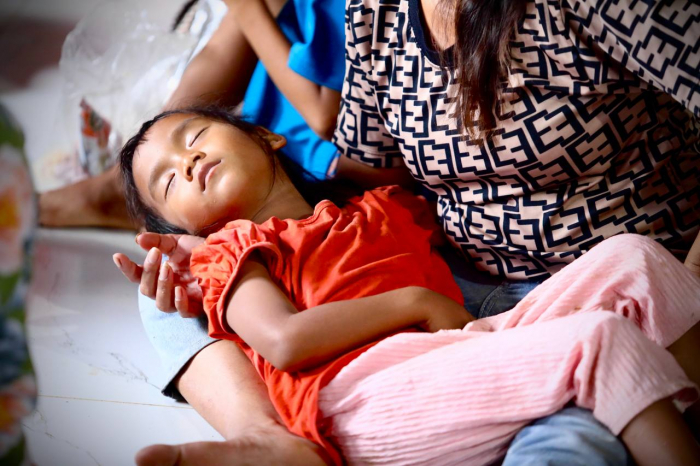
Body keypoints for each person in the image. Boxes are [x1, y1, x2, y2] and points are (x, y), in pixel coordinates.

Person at [115, 106, 700, 466]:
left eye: (194, 136)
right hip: (361, 394)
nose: (187, 162)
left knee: (634, 258)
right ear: (186, 227)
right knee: (596, 341)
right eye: (168, 181)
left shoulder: (379, 206)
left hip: (456, 344)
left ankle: (661, 403)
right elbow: (285, 342)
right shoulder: (232, 251)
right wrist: (415, 303)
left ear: (269, 136)